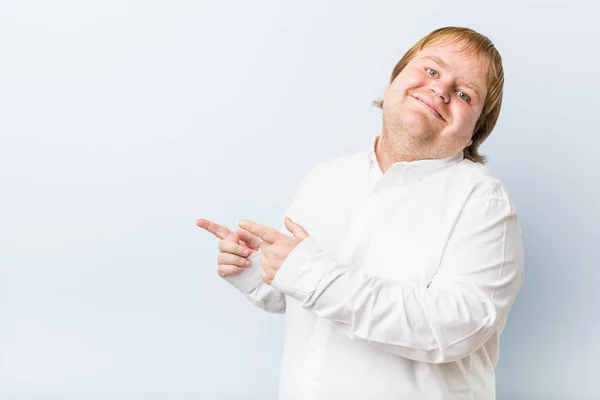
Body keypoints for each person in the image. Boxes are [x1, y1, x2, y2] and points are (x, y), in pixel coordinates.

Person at [197, 26, 524, 400]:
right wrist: (255, 269)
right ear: (393, 82)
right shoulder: (325, 178)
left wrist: (310, 273)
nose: (441, 89)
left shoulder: (484, 202)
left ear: (472, 134)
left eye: (465, 93)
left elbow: (456, 328)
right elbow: (299, 298)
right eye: (432, 71)